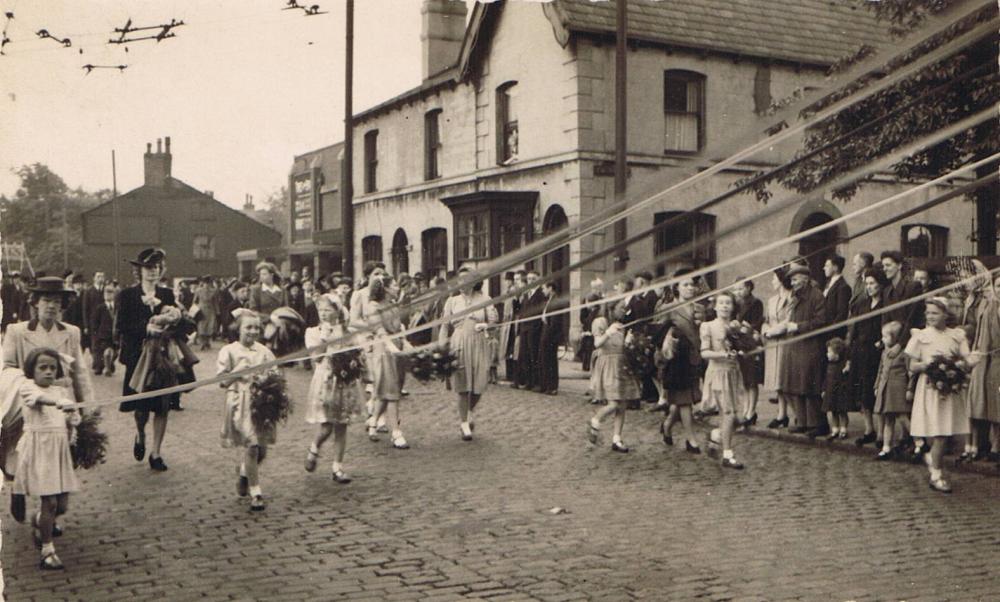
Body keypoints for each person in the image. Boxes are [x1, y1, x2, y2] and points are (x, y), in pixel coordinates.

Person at [1, 277, 94, 524]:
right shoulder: (18, 331)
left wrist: (87, 408)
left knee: (58, 457)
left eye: (57, 301)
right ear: (35, 302)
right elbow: (6, 366)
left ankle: (48, 516)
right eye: (46, 300)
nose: (51, 306)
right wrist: (31, 384)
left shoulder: (70, 333)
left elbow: (80, 373)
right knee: (23, 454)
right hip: (28, 404)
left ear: (63, 305)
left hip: (61, 404)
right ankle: (17, 490)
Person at [12, 348, 81, 570]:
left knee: (61, 506)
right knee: (50, 502)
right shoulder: (27, 387)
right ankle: (47, 550)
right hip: (40, 451)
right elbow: (37, 399)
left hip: (58, 451)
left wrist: (72, 412)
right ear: (32, 370)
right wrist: (56, 402)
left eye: (52, 368)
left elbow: (74, 418)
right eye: (43, 367)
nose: (49, 372)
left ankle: (41, 520)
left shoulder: (60, 391)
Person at [117, 248, 184, 471]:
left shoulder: (166, 295)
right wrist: (146, 328)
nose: (153, 272)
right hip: (139, 358)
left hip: (162, 356)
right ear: (139, 271)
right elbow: (122, 327)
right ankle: (140, 434)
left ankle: (156, 452)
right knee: (142, 407)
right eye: (148, 268)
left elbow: (177, 323)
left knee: (163, 405)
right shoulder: (127, 295)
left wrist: (172, 320)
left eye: (156, 267)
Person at [905, 297, 975, 493]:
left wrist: (968, 362)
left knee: (943, 433)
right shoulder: (921, 336)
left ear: (945, 314)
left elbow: (965, 359)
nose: (930, 316)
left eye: (935, 313)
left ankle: (935, 469)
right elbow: (911, 365)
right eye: (928, 313)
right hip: (929, 389)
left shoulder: (956, 336)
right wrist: (927, 365)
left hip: (949, 390)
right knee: (937, 433)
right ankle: (936, 473)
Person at [217, 311, 278, 511]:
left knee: (262, 450)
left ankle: (244, 472)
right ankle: (256, 492)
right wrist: (238, 370)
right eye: (248, 327)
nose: (253, 331)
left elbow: (276, 376)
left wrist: (269, 381)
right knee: (251, 446)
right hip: (240, 402)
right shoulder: (229, 351)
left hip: (261, 403)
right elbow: (223, 381)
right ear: (238, 329)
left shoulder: (265, 352)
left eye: (256, 328)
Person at [303, 295, 359, 482]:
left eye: (328, 310)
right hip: (325, 379)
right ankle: (314, 448)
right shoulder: (313, 332)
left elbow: (356, 354)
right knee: (327, 426)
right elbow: (316, 358)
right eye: (321, 310)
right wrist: (324, 337)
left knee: (342, 425)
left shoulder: (346, 331)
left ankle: (337, 468)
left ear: (337, 311)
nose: (324, 314)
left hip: (343, 381)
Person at [439, 267, 498, 440]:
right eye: (459, 279)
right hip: (459, 344)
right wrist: (442, 347)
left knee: (480, 384)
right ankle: (464, 423)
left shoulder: (485, 299)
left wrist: (486, 326)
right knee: (463, 385)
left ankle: (469, 411)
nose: (462, 283)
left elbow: (494, 322)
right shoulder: (452, 301)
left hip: (479, 343)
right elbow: (444, 326)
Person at [775, 263, 828, 437]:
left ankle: (818, 423)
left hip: (810, 347)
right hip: (795, 346)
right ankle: (802, 421)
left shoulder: (816, 296)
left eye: (796, 279)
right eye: (792, 279)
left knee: (809, 386)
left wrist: (797, 326)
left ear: (805, 279)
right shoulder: (795, 296)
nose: (793, 282)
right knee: (795, 386)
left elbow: (821, 322)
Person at [658, 269, 705, 453]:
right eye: (685, 285)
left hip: (694, 358)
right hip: (677, 360)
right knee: (685, 400)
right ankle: (691, 439)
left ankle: (668, 425)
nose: (689, 288)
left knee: (683, 399)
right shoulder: (668, 308)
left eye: (692, 284)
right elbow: (660, 333)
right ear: (676, 288)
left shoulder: (700, 309)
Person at [700, 291, 745, 469]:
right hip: (718, 373)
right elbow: (704, 353)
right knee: (728, 414)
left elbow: (743, 346)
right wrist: (723, 354)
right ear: (716, 306)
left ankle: (716, 435)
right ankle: (727, 454)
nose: (725, 306)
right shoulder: (708, 326)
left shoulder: (736, 327)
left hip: (734, 373)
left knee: (734, 417)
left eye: (728, 303)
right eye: (722, 303)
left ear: (733, 307)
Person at [365, 278, 411, 449]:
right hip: (383, 351)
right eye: (394, 285)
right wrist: (390, 345)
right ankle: (396, 433)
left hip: (396, 350)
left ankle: (373, 422)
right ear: (385, 289)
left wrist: (404, 341)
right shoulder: (373, 306)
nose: (397, 287)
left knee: (390, 390)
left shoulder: (394, 305)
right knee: (391, 391)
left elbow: (398, 328)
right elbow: (379, 329)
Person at [587, 302, 639, 452]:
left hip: (621, 365)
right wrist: (609, 332)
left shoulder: (622, 325)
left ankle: (617, 439)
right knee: (614, 403)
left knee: (622, 405)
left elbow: (620, 347)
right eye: (621, 308)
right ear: (612, 308)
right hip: (608, 366)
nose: (624, 311)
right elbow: (597, 343)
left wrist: (628, 342)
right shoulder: (600, 322)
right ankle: (595, 420)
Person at [847, 267, 888, 448]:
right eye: (867, 283)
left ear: (880, 284)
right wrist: (850, 354)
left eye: (872, 283)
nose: (869, 287)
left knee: (876, 392)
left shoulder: (885, 305)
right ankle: (868, 429)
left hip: (876, 354)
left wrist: (881, 342)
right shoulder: (862, 305)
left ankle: (881, 433)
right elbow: (854, 331)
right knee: (863, 393)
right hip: (860, 354)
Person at [963, 264, 1000, 463]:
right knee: (986, 402)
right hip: (984, 356)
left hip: (995, 358)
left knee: (996, 403)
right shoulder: (989, 304)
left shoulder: (990, 303)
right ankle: (986, 446)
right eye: (998, 286)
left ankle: (994, 446)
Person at [874, 321, 912, 460]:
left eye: (885, 337)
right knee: (888, 419)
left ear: (895, 338)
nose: (883, 339)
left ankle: (919, 441)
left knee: (902, 417)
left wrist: (909, 388)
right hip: (886, 389)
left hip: (898, 390)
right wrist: (877, 386)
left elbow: (910, 372)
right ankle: (886, 447)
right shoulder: (884, 353)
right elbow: (880, 370)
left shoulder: (903, 354)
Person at [763, 267, 793, 428]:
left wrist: (772, 332)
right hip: (773, 343)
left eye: (774, 278)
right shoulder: (772, 300)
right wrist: (766, 331)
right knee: (777, 381)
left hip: (785, 341)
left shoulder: (791, 298)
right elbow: (766, 320)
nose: (772, 282)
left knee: (785, 378)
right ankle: (782, 414)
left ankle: (796, 414)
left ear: (781, 280)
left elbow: (788, 321)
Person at [732, 276, 764, 426]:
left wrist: (746, 326)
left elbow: (757, 323)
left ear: (749, 288)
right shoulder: (736, 304)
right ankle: (746, 409)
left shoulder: (755, 303)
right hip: (740, 344)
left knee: (752, 380)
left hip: (751, 344)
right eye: (736, 289)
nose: (738, 291)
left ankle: (751, 411)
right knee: (745, 380)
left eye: (741, 288)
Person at [515, 270, 545, 391]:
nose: (531, 281)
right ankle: (528, 381)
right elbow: (521, 311)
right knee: (525, 355)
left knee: (534, 355)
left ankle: (536, 382)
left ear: (538, 279)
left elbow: (539, 312)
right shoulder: (527, 294)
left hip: (534, 328)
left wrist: (535, 327)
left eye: (533, 279)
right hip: (524, 328)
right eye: (529, 279)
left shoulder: (541, 294)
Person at [538, 282, 566, 395]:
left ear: (550, 288)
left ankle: (552, 386)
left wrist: (548, 336)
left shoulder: (556, 301)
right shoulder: (550, 300)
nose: (543, 291)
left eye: (544, 288)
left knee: (550, 361)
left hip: (550, 335)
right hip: (546, 332)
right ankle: (546, 385)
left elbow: (555, 322)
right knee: (545, 360)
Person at [821, 338, 851, 440]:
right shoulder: (829, 365)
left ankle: (843, 429)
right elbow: (826, 379)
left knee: (842, 412)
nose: (827, 354)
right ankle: (835, 429)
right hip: (831, 392)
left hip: (840, 392)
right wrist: (824, 389)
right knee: (833, 411)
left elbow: (846, 380)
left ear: (837, 353)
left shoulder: (843, 366)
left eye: (829, 352)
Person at [822, 255, 852, 340]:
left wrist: (830, 331)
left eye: (827, 266)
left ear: (835, 268)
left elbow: (841, 314)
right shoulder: (829, 283)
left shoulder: (843, 287)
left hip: (833, 334)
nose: (824, 268)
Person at [90, 285, 117, 376]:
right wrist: (96, 334)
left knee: (115, 352)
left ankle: (109, 365)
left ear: (114, 294)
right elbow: (95, 322)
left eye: (110, 292)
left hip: (115, 335)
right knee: (107, 352)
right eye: (106, 292)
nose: (108, 295)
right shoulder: (100, 308)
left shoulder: (117, 307)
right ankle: (107, 368)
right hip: (104, 335)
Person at [579, 278, 605, 372]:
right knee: (587, 347)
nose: (597, 289)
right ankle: (586, 366)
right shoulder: (587, 298)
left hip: (598, 326)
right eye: (595, 287)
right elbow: (582, 316)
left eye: (599, 287)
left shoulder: (603, 299)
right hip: (588, 326)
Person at [194, 277, 219, 351]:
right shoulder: (198, 291)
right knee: (201, 327)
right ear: (203, 283)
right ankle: (202, 343)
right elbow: (195, 300)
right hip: (201, 310)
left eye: (208, 283)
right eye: (205, 283)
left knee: (210, 327)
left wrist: (217, 311)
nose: (207, 285)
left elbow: (215, 302)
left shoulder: (213, 291)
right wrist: (194, 309)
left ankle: (207, 342)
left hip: (211, 310)